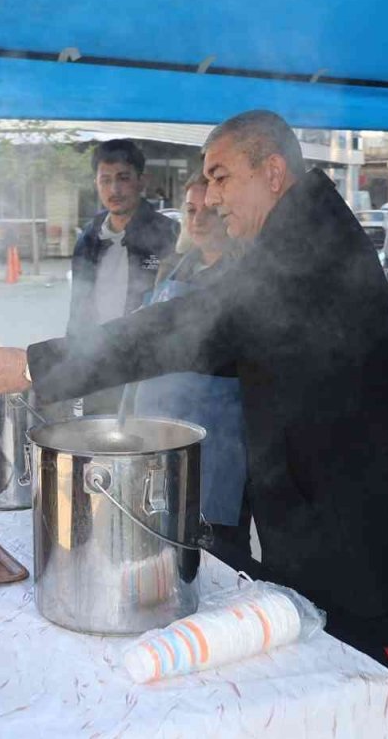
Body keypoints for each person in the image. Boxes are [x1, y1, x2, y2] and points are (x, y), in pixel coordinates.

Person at [0, 110, 388, 738]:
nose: (211, 196)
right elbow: (215, 337)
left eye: (221, 177)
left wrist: (34, 366)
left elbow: (187, 327)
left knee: (382, 703)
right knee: (326, 699)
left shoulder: (307, 243)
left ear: (273, 172)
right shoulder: (293, 234)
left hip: (371, 537)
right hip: (319, 522)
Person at [129, 174, 248, 530]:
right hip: (159, 422)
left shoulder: (242, 275)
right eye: (191, 209)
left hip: (216, 433)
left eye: (209, 210)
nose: (197, 219)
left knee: (213, 540)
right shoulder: (176, 265)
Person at [68, 139, 177, 413]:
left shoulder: (169, 235)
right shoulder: (88, 238)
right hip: (97, 368)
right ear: (96, 183)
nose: (114, 189)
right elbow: (78, 310)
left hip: (148, 374)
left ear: (142, 181)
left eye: (123, 178)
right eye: (105, 180)